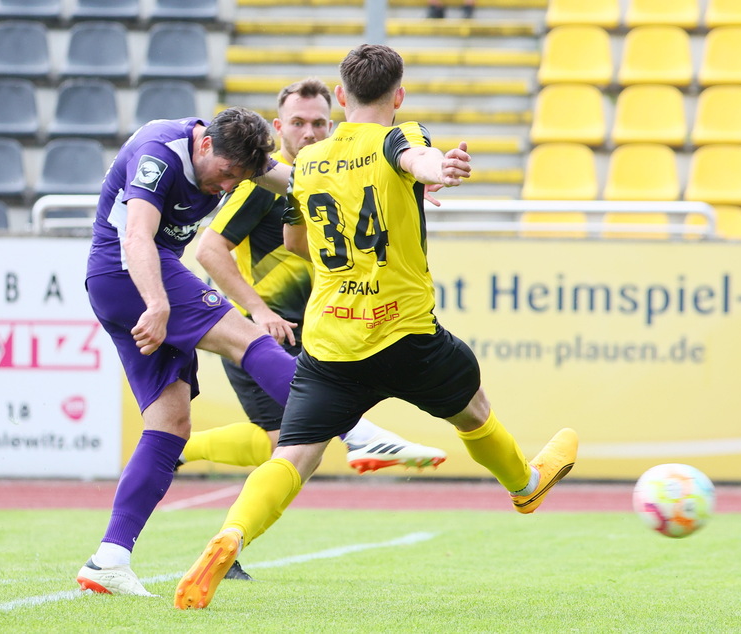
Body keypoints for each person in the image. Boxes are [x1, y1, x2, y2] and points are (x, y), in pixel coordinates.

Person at [174, 44, 578, 611]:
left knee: (293, 456)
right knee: (475, 410)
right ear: (399, 96)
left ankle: (232, 534)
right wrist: (438, 171)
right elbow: (416, 159)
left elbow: (294, 242)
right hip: (406, 334)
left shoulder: (311, 161)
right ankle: (524, 487)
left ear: (340, 98)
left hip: (331, 343)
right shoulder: (400, 135)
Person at [74, 106, 425, 598]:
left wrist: (402, 178)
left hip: (127, 281)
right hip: (127, 272)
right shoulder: (160, 153)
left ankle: (108, 559)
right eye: (224, 175)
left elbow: (302, 181)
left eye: (238, 178)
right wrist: (156, 303)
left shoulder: (235, 155)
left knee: (170, 425)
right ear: (203, 147)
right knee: (250, 339)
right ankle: (355, 431)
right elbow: (135, 237)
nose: (225, 186)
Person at [186, 79, 448, 580]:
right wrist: (257, 312)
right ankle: (360, 440)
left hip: (305, 332)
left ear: (335, 121)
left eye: (319, 123)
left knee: (279, 444)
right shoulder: (257, 187)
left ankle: (177, 454)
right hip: (261, 336)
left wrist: (421, 176)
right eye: (299, 123)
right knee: (289, 443)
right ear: (278, 128)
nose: (310, 132)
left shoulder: (325, 174)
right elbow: (208, 250)